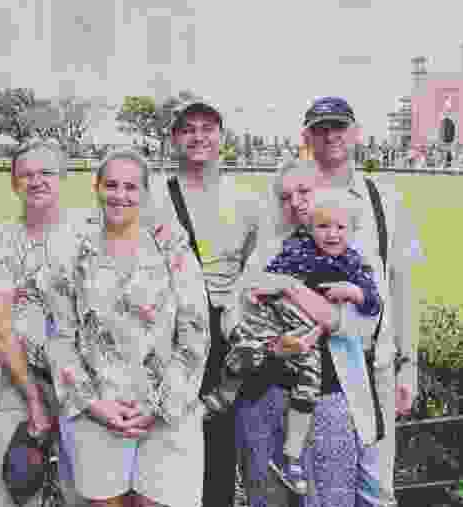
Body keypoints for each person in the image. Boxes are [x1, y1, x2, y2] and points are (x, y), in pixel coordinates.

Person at [38, 149, 209, 506]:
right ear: (97, 188)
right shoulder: (69, 252)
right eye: (111, 185)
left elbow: (194, 333)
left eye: (131, 186)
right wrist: (94, 404)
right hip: (97, 413)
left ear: (146, 193)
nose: (120, 195)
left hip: (165, 414)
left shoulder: (173, 250)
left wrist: (161, 406)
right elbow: (60, 338)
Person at [207, 187, 383, 495]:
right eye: (285, 196)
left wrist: (348, 294)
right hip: (268, 373)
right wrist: (265, 305)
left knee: (327, 490)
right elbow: (243, 302)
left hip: (326, 382)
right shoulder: (288, 249)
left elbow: (367, 310)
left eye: (303, 192)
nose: (295, 203)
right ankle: (225, 393)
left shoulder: (354, 262)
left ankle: (291, 455)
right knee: (247, 346)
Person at [300, 96, 425, 507]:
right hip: (316, 371)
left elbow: (401, 288)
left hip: (375, 365)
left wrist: (409, 367)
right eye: (321, 128)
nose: (331, 135)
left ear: (355, 133)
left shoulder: (382, 200)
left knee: (376, 490)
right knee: (322, 493)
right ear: (308, 137)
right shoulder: (294, 201)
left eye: (339, 126)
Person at [150, 100, 262, 507]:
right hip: (172, 327)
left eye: (207, 128)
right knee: (170, 437)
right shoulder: (154, 196)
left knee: (219, 441)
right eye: (188, 129)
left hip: (225, 327)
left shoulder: (246, 198)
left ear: (221, 137)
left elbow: (256, 264)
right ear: (175, 138)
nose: (198, 137)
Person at [0, 138, 89, 507]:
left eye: (46, 172)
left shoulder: (89, 236)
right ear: (13, 183)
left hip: (81, 387)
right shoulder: (0, 240)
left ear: (63, 177)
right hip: (15, 382)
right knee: (12, 489)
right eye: (26, 175)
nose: (36, 181)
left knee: (86, 490)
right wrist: (34, 399)